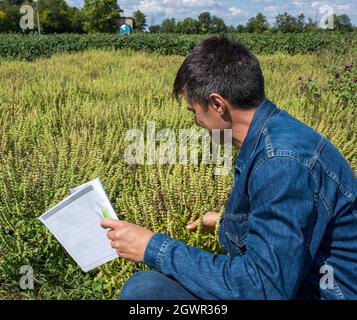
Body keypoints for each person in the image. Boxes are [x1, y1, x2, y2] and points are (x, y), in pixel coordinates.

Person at [101, 35, 357, 300]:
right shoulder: (274, 134)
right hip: (304, 281)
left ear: (217, 104)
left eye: (194, 112)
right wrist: (226, 225)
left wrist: (153, 248)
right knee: (148, 287)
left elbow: (263, 288)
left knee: (145, 293)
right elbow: (286, 229)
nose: (196, 123)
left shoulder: (281, 162)